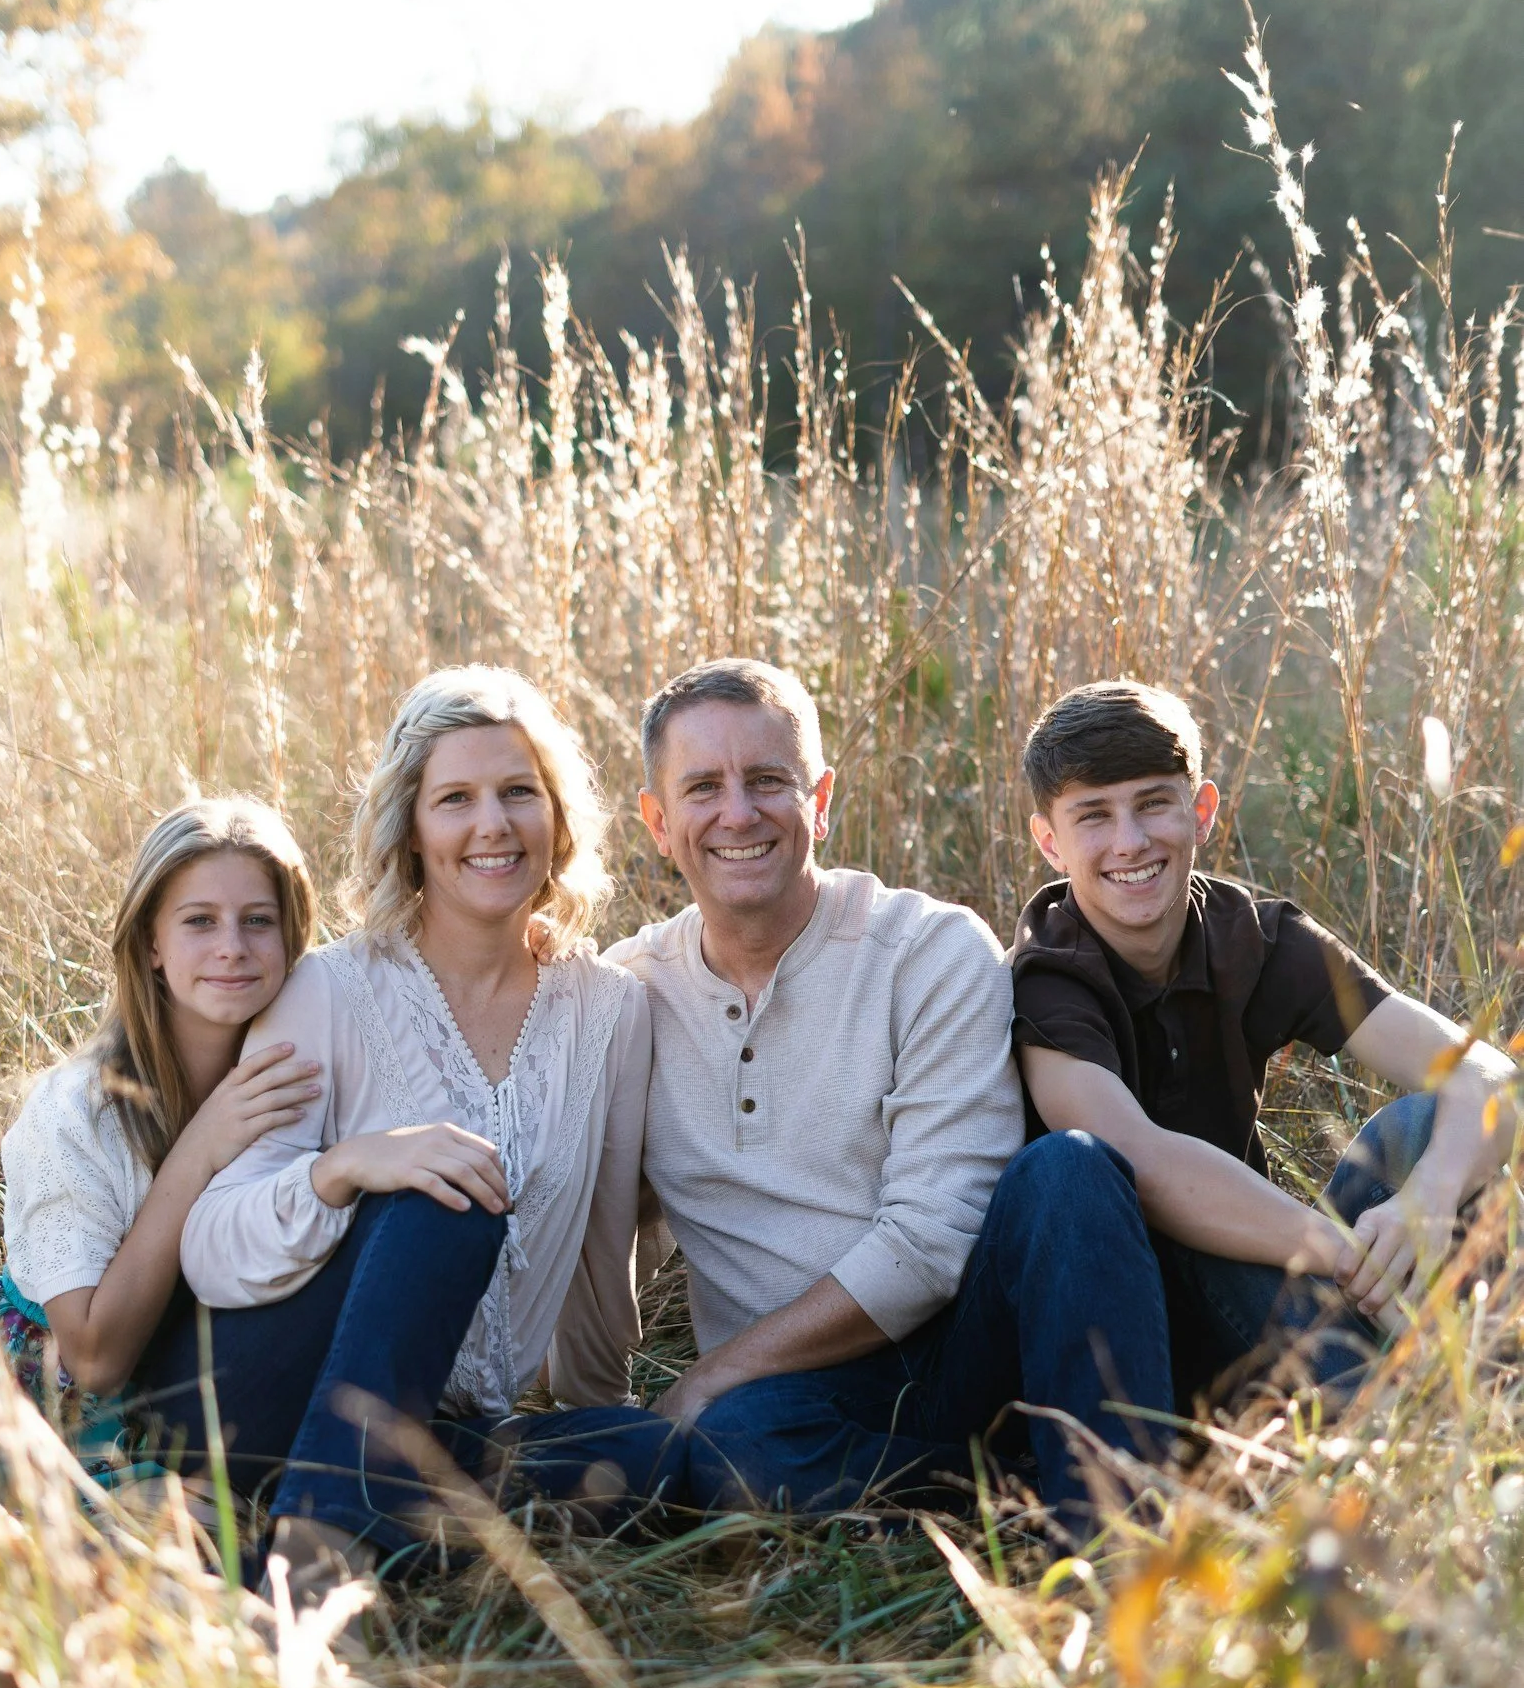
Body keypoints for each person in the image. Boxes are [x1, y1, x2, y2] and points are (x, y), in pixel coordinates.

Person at [534, 656, 1176, 1533]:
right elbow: (593, 1217)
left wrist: (714, 1373)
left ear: (820, 799)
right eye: (702, 789)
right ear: (657, 821)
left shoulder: (929, 951)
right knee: (731, 1455)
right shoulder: (626, 992)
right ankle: (996, 1501)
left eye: (768, 780)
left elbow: (931, 1241)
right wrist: (585, 1398)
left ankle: (1113, 1531)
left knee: (1069, 1171)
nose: (737, 813)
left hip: (967, 1355)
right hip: (794, 1403)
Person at [162, 664, 650, 1576]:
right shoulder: (326, 990)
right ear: (413, 830)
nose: (492, 825)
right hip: (277, 1386)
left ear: (556, 816)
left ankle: (348, 1514)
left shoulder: (610, 1009)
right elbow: (211, 1249)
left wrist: (596, 1407)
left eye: (517, 793)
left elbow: (601, 1242)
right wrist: (348, 1166)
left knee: (653, 1460)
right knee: (444, 1195)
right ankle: (313, 1564)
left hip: (448, 1425)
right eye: (454, 799)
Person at [1010, 677, 1517, 1407]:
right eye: (1093, 816)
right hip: (1136, 1323)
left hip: (1279, 1259)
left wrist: (1427, 1202)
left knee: (1430, 1126)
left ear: (1202, 810)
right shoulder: (1045, 977)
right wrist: (1352, 1257)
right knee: (1208, 1243)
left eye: (1153, 802)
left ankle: (1496, 1397)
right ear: (1050, 843)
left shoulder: (1255, 936)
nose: (1129, 842)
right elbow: (1142, 1164)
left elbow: (1490, 1077)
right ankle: (1394, 1425)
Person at [0, 799, 320, 1465]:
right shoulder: (77, 1110)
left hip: (205, 1386)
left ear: (293, 936)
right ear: (150, 942)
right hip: (12, 1395)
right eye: (199, 921)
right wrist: (199, 1148)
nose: (232, 946)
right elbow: (91, 1357)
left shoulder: (303, 1075)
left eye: (258, 921)